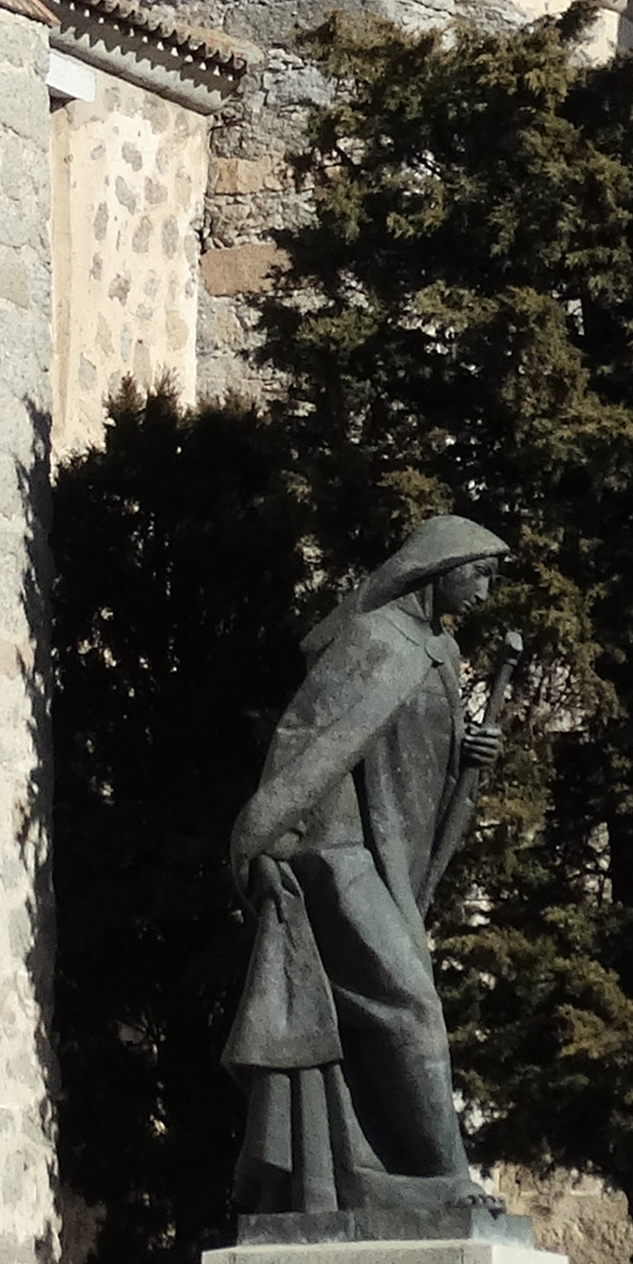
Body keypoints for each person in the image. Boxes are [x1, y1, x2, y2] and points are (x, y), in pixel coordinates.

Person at [223, 514, 512, 1223]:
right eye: (476, 573)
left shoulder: (437, 651)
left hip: (376, 859)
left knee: (390, 1009)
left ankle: (374, 1176)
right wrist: (266, 838)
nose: (482, 591)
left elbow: (409, 770)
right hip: (327, 852)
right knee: (409, 1003)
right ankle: (444, 1177)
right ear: (436, 569)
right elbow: (306, 738)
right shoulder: (373, 640)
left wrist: (464, 756)